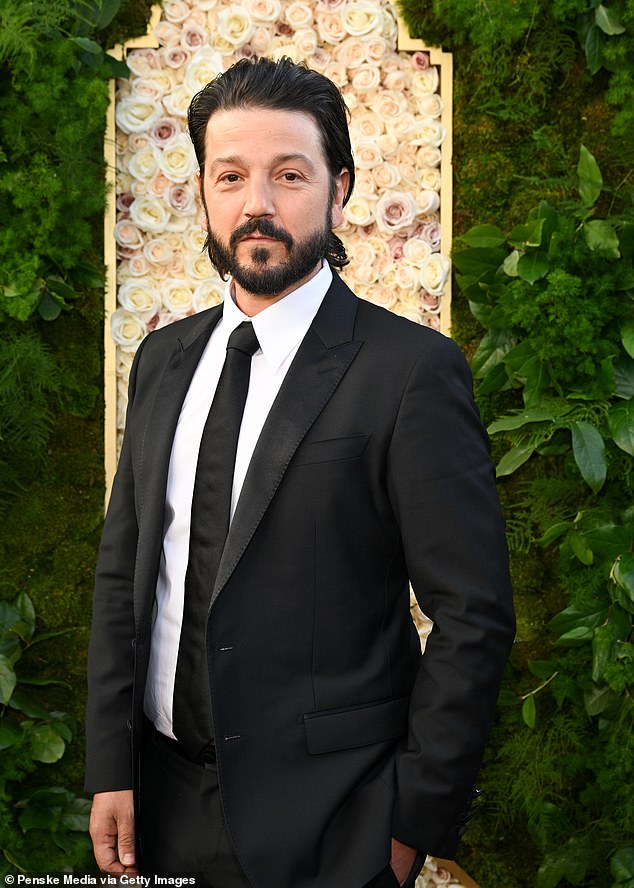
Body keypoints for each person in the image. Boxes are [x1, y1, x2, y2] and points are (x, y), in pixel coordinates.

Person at [86, 56, 515, 888]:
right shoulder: (163, 360)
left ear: (340, 188)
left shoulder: (409, 372)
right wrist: (111, 760)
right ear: (203, 193)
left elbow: (473, 617)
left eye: (289, 174)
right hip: (160, 804)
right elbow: (123, 577)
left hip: (334, 821)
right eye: (231, 176)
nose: (257, 204)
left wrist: (406, 826)